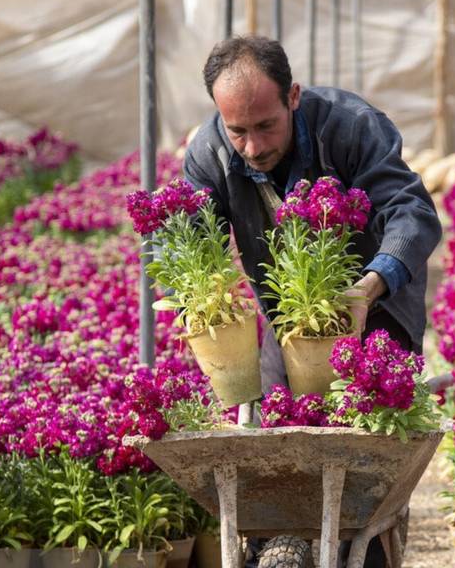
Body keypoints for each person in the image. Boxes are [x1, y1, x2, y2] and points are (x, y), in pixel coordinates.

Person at [181, 36, 441, 567]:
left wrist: (369, 286)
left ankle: (361, 551)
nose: (251, 147)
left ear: (293, 96)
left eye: (265, 126)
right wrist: (199, 296)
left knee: (363, 475)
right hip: (292, 323)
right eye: (238, 131)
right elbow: (178, 236)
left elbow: (411, 211)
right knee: (276, 457)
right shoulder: (209, 152)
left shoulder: (349, 127)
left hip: (376, 306)